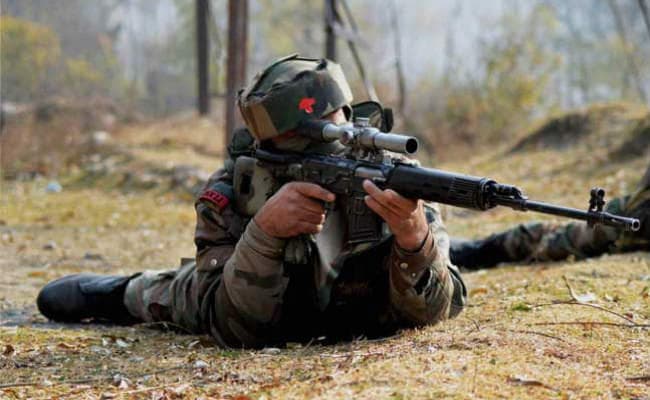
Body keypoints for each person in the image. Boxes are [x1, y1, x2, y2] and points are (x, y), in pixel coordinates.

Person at [36, 55, 467, 348]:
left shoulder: (396, 178)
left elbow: (434, 312)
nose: (335, 144)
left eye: (337, 126)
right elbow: (232, 327)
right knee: (172, 292)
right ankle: (118, 292)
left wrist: (415, 239)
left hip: (361, 309)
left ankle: (481, 248)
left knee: (442, 253)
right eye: (304, 140)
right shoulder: (233, 188)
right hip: (250, 298)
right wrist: (264, 234)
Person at [450, 166, 650, 269]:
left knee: (553, 238)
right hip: (628, 218)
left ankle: (476, 251)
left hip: (629, 221)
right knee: (549, 237)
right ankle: (476, 250)